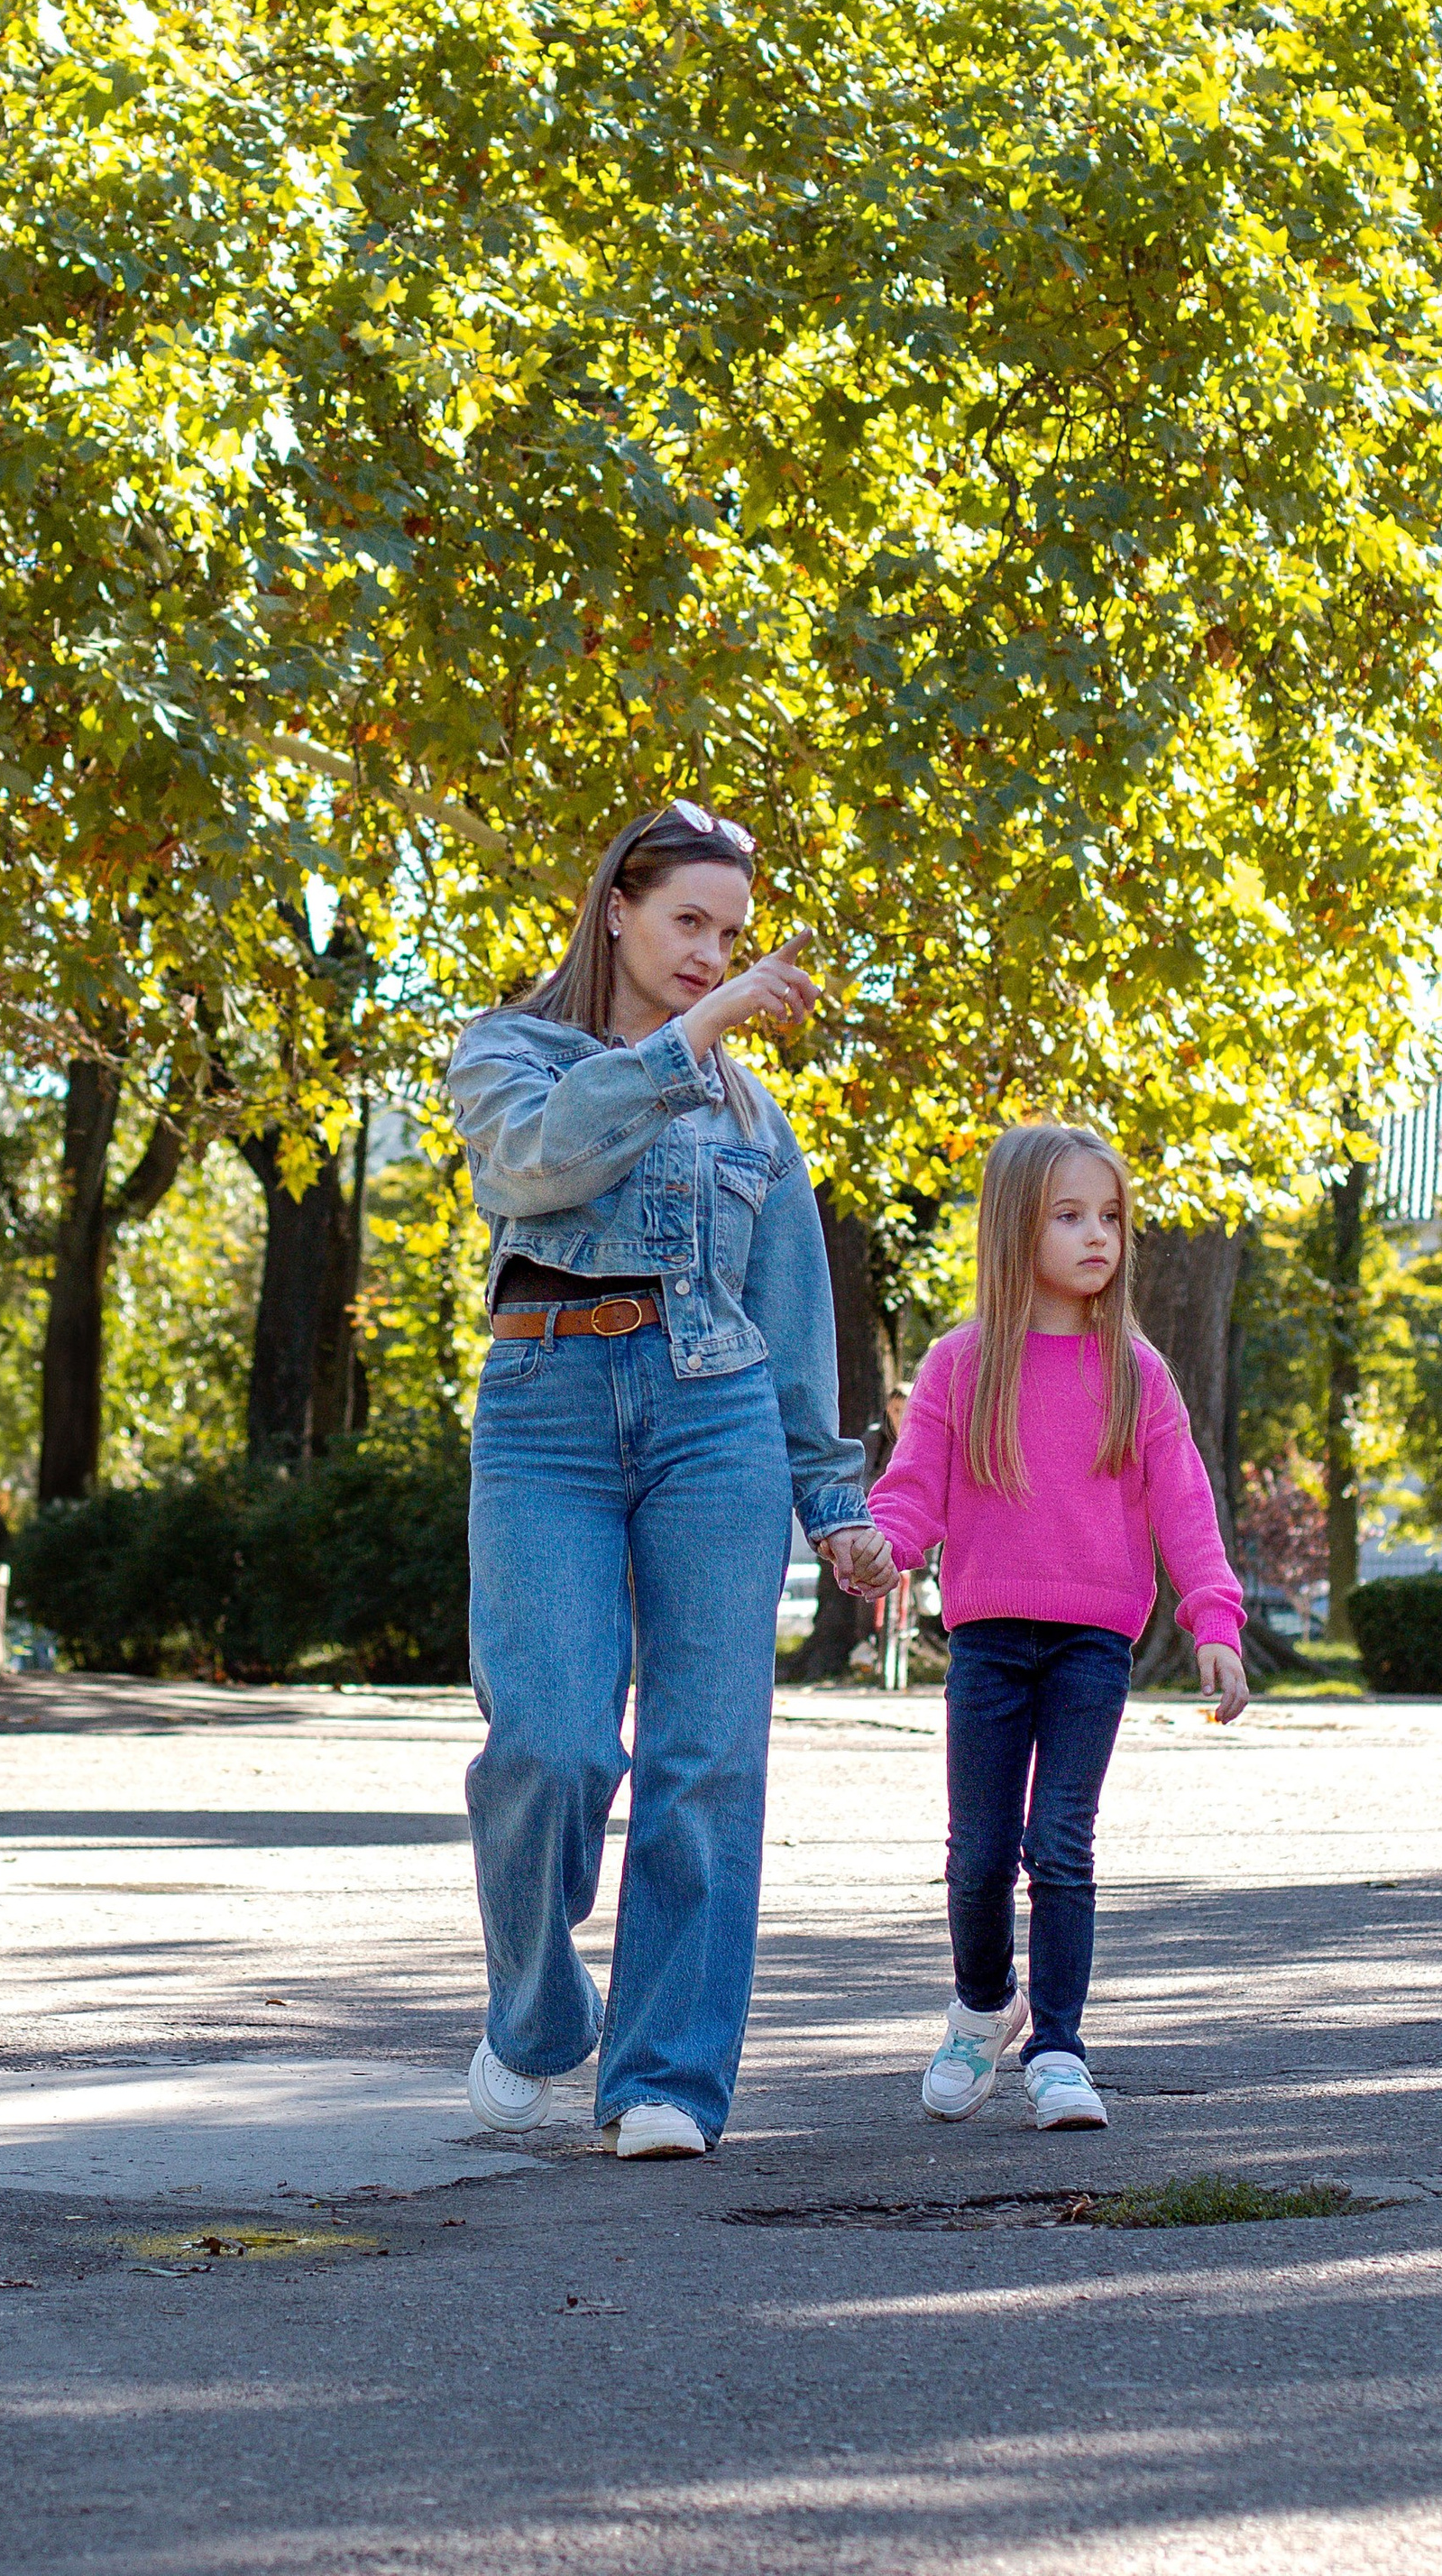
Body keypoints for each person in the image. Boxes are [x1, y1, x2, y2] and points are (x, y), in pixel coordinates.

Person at [447, 797, 896, 2160]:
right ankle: (537, 2016)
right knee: (550, 1746)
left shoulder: (757, 1115)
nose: (711, 954)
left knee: (706, 1763)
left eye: (732, 937)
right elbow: (541, 1165)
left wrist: (836, 1504)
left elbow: (793, 1318)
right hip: (547, 1415)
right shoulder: (506, 1052)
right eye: (688, 921)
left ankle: (665, 2081)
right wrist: (691, 1039)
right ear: (617, 912)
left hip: (717, 1425)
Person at [868, 1121, 1247, 2133]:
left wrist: (1213, 1619)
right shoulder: (960, 1365)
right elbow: (912, 1493)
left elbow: (1185, 1506)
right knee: (979, 1855)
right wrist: (878, 1548)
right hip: (988, 1642)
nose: (1097, 1237)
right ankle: (982, 2006)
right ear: (1013, 1230)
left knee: (1062, 1844)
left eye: (1110, 1217)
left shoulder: (1136, 1371)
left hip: (1092, 1644)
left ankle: (1061, 2051)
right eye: (1069, 1216)